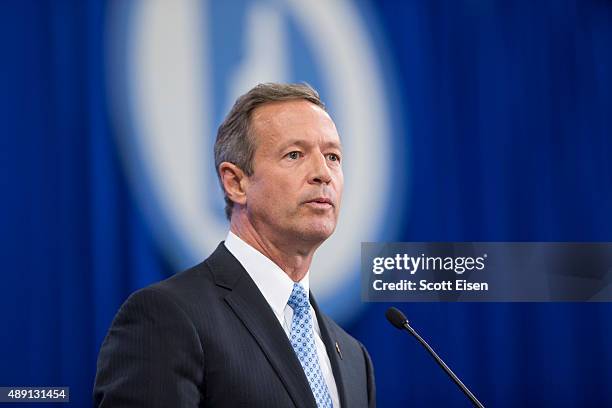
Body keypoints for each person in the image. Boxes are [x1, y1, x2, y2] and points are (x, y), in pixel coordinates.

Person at [93, 83, 376, 407]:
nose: (323, 173)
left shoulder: (354, 358)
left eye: (333, 156)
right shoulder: (168, 318)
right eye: (295, 154)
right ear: (236, 183)